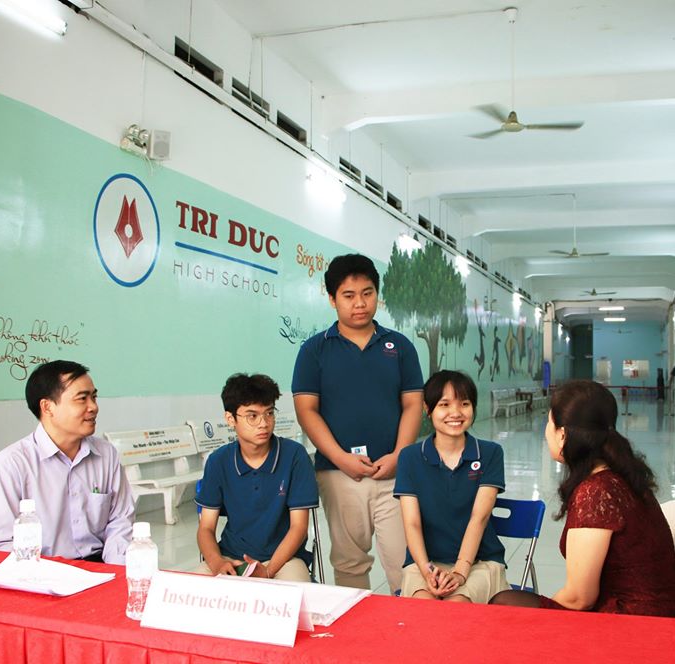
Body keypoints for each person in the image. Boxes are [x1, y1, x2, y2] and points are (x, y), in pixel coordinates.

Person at [490, 380, 675, 617]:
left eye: (549, 422)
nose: (546, 431)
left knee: (504, 604)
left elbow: (579, 598)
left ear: (562, 434)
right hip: (664, 611)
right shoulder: (624, 475)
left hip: (636, 622)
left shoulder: (595, 492)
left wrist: (542, 619)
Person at [292, 253, 424, 592]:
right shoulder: (314, 350)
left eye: (367, 293)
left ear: (377, 294)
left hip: (394, 472)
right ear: (332, 299)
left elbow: (413, 404)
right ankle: (356, 623)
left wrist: (400, 455)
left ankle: (408, 621)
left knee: (405, 561)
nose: (360, 303)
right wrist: (340, 458)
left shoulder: (400, 347)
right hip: (340, 474)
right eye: (348, 296)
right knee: (349, 562)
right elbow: (307, 410)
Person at [0, 360, 134, 564]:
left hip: (99, 568)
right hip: (39, 571)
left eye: (94, 397)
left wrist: (116, 573)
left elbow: (120, 523)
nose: (93, 407)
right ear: (47, 407)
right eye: (82, 399)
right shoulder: (11, 464)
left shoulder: (106, 454)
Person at [394, 370, 508, 603]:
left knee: (456, 608)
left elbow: (479, 518)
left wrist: (460, 572)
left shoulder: (490, 453)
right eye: (444, 404)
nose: (455, 413)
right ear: (428, 409)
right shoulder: (409, 457)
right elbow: (412, 523)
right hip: (425, 561)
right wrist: (427, 571)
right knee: (423, 607)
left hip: (479, 562)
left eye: (464, 404)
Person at [196, 374, 318, 581]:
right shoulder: (219, 461)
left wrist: (269, 570)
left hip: (283, 560)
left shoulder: (294, 456)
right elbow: (206, 528)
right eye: (252, 416)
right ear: (230, 419)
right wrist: (217, 563)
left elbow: (299, 527)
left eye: (269, 413)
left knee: (295, 592)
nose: (264, 423)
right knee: (192, 590)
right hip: (230, 557)